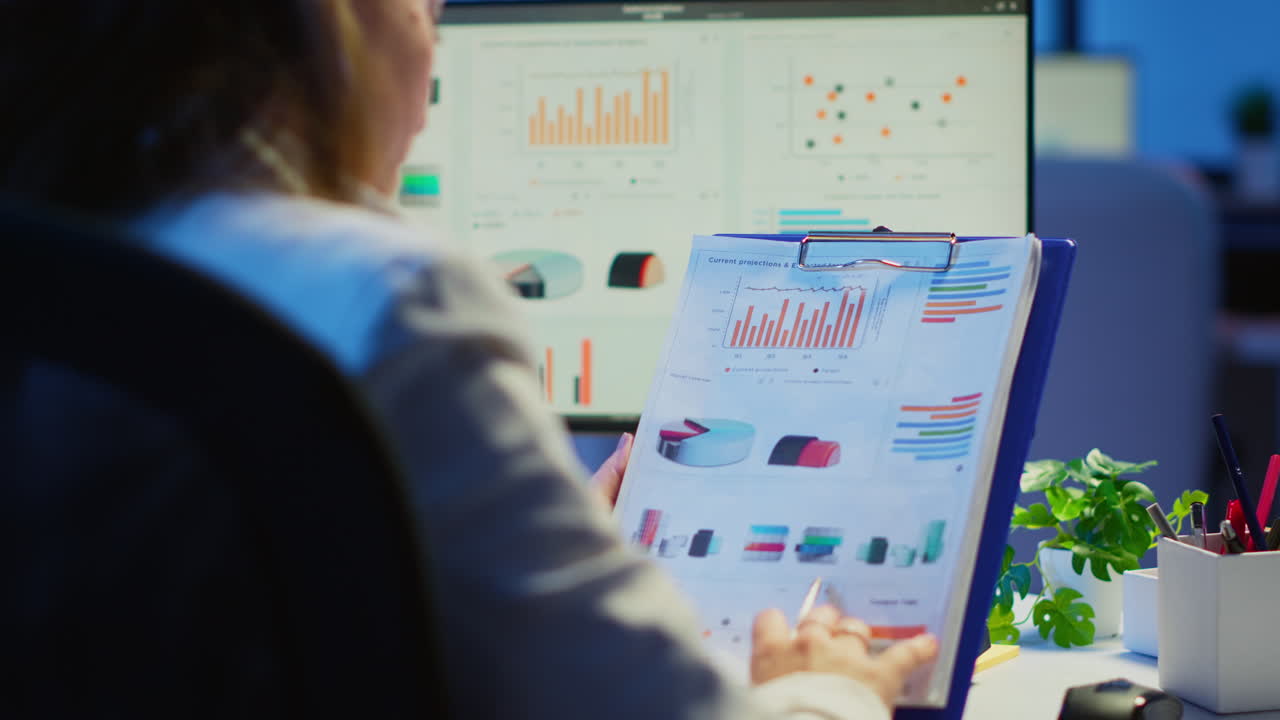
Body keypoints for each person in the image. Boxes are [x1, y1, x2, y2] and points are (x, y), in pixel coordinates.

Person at [0, 1, 938, 717]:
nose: (430, 52)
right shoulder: (391, 296)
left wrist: (540, 525)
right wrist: (830, 691)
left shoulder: (57, 254)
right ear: (329, 29)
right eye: (423, 12)